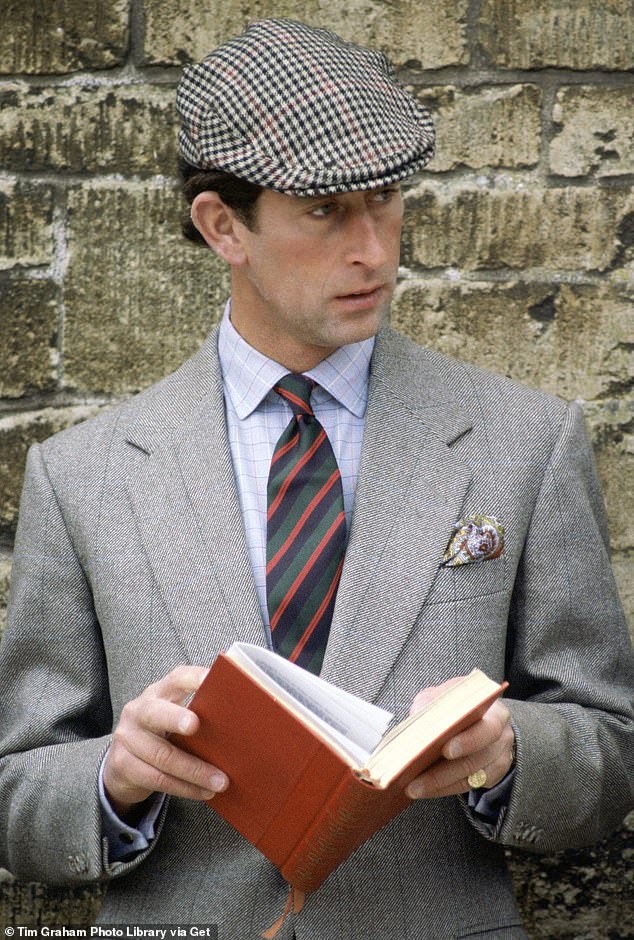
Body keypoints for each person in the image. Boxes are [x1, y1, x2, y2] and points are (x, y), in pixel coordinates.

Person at [0, 18, 632, 940]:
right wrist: (113, 776)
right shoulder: (84, 477)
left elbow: (611, 749)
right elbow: (17, 790)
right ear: (224, 226)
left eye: (385, 200)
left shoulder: (522, 442)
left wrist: (513, 755)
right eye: (327, 211)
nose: (374, 249)